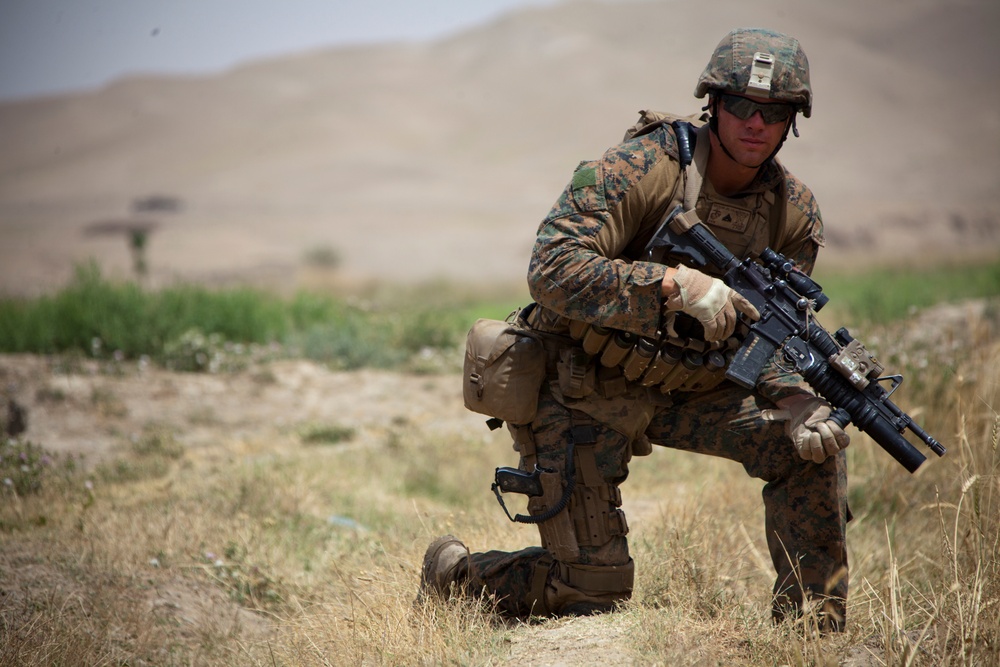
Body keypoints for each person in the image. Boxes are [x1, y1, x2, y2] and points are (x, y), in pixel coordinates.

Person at [420, 27, 851, 631]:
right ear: (714, 105)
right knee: (592, 592)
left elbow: (772, 337)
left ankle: (814, 632)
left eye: (774, 112)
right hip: (584, 381)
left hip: (696, 387)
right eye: (742, 106)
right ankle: (454, 577)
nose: (756, 123)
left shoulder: (793, 212)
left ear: (792, 122)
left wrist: (797, 399)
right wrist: (671, 286)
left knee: (809, 446)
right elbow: (550, 269)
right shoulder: (642, 167)